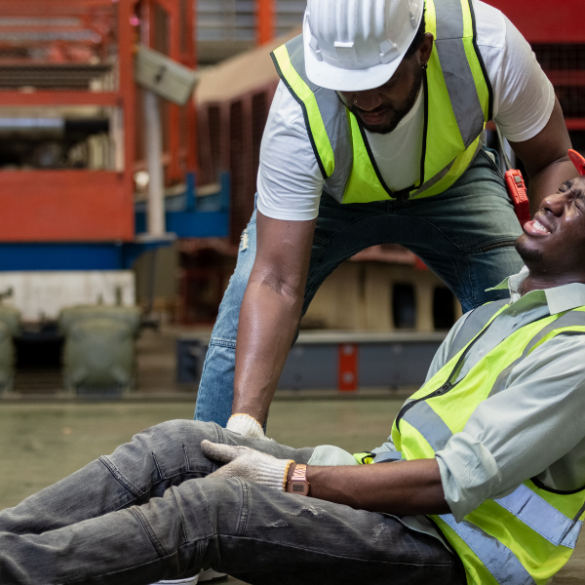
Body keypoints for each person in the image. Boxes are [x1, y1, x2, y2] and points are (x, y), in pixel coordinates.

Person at [2, 165, 585, 585]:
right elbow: (398, 459)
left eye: (578, 204)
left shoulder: (575, 357)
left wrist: (292, 477)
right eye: (563, 190)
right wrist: (289, 463)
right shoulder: (494, 319)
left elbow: (451, 482)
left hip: (456, 556)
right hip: (401, 511)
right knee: (178, 444)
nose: (554, 201)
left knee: (211, 511)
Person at [194, 0, 579, 439]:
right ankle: (210, 470)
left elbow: (550, 156)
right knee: (241, 323)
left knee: (529, 304)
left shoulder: (488, 46)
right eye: (347, 83)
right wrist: (243, 426)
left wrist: (556, 269)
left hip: (453, 183)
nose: (365, 99)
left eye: (381, 79)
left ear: (424, 50)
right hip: (330, 200)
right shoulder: (296, 111)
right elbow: (277, 281)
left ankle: (532, 453)